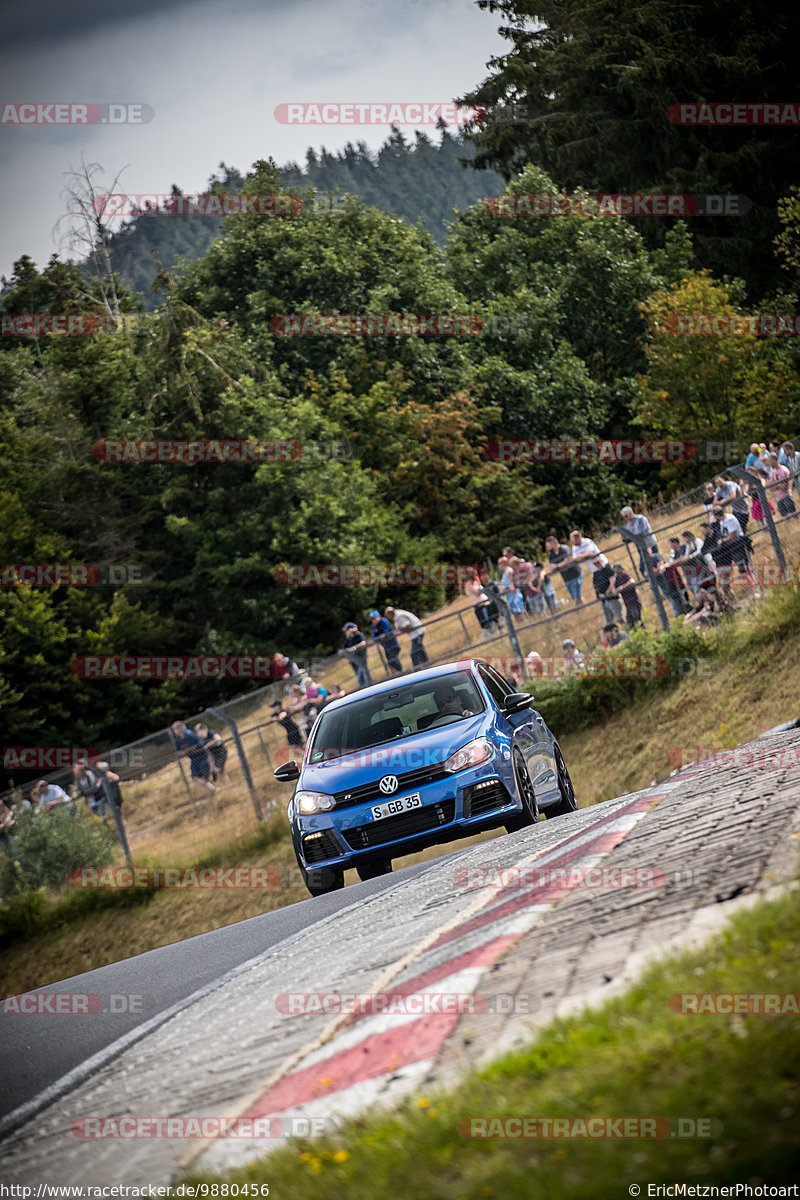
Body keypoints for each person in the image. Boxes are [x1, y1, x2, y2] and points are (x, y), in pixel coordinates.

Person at [171, 720, 217, 795]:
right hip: (193, 759)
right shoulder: (178, 739)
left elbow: (200, 743)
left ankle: (212, 791)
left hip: (202, 756)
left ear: (180, 729)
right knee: (195, 777)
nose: (174, 731)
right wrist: (183, 753)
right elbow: (178, 751)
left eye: (175, 729)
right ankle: (213, 789)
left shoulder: (189, 735)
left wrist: (191, 749)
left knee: (206, 776)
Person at [545, 533, 583, 605]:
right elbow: (551, 566)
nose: (547, 548)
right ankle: (581, 610)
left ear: (552, 544)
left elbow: (567, 561)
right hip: (566, 578)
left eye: (548, 545)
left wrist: (557, 565)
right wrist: (561, 564)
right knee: (574, 597)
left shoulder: (564, 548)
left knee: (578, 596)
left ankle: (582, 610)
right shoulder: (551, 555)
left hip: (575, 574)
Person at [194, 722, 231, 787]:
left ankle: (214, 775)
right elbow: (209, 753)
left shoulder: (211, 732)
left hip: (221, 752)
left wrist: (207, 745)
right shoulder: (202, 740)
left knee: (218, 770)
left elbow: (218, 738)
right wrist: (211, 765)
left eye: (198, 731)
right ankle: (229, 785)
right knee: (221, 772)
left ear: (203, 729)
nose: (198, 734)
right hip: (215, 755)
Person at [464, 568, 498, 639]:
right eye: (475, 574)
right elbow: (477, 593)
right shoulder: (468, 584)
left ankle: (494, 636)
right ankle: (487, 639)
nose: (476, 575)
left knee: (492, 621)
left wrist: (478, 582)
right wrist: (479, 584)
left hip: (486, 603)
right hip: (481, 606)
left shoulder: (475, 583)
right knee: (486, 624)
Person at [608, 563, 644, 628]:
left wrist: (621, 588)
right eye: (614, 569)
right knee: (630, 622)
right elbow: (615, 592)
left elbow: (632, 581)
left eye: (617, 569)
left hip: (634, 601)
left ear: (622, 569)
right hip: (627, 603)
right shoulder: (617, 579)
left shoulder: (626, 575)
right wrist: (612, 583)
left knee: (638, 620)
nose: (616, 571)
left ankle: (643, 633)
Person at [368, 609, 403, 674]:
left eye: (374, 618)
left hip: (393, 645)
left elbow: (387, 633)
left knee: (393, 660)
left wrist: (381, 637)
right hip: (386, 647)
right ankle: (397, 674)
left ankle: (401, 672)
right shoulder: (374, 626)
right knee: (390, 662)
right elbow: (374, 638)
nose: (373, 620)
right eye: (372, 619)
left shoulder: (384, 621)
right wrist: (380, 637)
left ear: (379, 616)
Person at [591, 555, 624, 625]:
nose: (597, 565)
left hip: (612, 598)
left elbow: (612, 582)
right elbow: (596, 587)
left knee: (619, 618)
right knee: (608, 622)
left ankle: (630, 630)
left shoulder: (608, 570)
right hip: (603, 600)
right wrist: (600, 595)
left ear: (601, 561)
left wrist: (606, 593)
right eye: (595, 564)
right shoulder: (595, 574)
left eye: (598, 562)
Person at [339, 622, 373, 688]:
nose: (345, 632)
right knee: (359, 674)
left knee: (363, 672)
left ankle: (368, 686)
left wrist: (354, 648)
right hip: (353, 661)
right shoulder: (347, 639)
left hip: (361, 657)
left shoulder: (359, 635)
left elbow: (363, 643)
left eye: (346, 630)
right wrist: (349, 650)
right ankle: (363, 687)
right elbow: (343, 650)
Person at [767, 452, 796, 518]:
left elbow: (784, 487)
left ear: (775, 460)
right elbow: (770, 488)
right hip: (779, 499)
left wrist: (775, 485)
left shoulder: (783, 470)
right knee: (784, 518)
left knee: (793, 516)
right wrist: (778, 485)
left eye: (770, 461)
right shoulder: (773, 472)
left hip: (786, 496)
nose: (769, 463)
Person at [499, 556, 526, 623]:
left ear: (503, 563)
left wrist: (507, 588)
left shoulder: (509, 571)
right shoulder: (504, 573)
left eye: (499, 564)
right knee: (517, 618)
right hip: (510, 599)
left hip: (515, 597)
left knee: (520, 616)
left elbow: (513, 582)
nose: (498, 566)